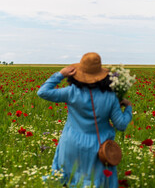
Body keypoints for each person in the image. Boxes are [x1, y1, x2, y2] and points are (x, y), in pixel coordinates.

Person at [37, 52, 133, 187]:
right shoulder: (111, 96)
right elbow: (121, 125)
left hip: (71, 145)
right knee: (93, 182)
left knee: (68, 181)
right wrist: (128, 107)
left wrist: (61, 74)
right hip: (97, 148)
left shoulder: (70, 92)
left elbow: (42, 92)